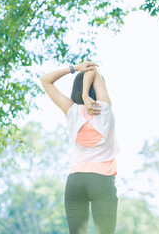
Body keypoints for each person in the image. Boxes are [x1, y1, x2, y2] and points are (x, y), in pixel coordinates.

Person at [40, 60, 119, 234]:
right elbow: (93, 70)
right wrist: (86, 94)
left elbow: (45, 79)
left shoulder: (71, 111)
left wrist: (75, 68)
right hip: (102, 180)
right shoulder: (104, 110)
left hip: (75, 182)